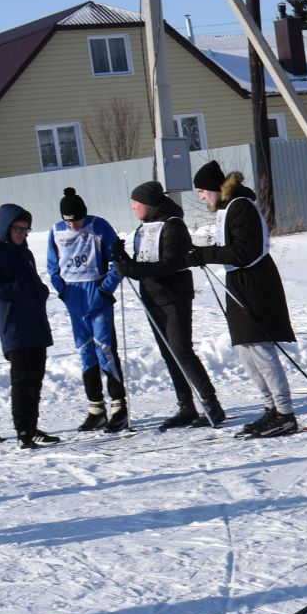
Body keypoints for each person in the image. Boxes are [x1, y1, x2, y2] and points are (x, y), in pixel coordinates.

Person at [187, 159, 301, 438]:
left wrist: (205, 255)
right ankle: (270, 409)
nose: (201, 197)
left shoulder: (241, 206)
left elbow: (244, 252)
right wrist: (201, 252)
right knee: (246, 350)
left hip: (255, 282)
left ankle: (285, 413)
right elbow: (230, 248)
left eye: (202, 191)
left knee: (260, 349)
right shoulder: (228, 208)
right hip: (238, 283)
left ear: (215, 188)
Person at [113, 180, 227, 430]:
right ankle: (186, 405)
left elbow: (170, 264)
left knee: (181, 350)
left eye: (136, 203)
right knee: (169, 352)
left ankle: (211, 403)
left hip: (173, 296)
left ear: (149, 204)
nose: (132, 207)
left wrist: (131, 269)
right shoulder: (146, 227)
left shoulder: (173, 225)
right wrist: (122, 258)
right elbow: (145, 261)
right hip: (153, 296)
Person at [0, 204, 60, 449]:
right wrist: (13, 290)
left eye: (26, 229)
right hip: (14, 326)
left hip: (36, 323)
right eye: (17, 229)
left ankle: (32, 426)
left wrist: (39, 291)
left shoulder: (25, 251)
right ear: (6, 227)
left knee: (36, 379)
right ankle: (22, 430)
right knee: (22, 380)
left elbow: (30, 279)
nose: (22, 234)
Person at [45, 187, 128, 433]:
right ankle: (96, 408)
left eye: (77, 220)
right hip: (74, 297)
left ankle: (119, 407)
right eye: (68, 221)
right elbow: (52, 266)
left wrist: (105, 290)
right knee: (85, 351)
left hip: (98, 294)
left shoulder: (99, 226)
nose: (73, 225)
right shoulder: (56, 231)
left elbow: (117, 259)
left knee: (105, 350)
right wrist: (62, 291)